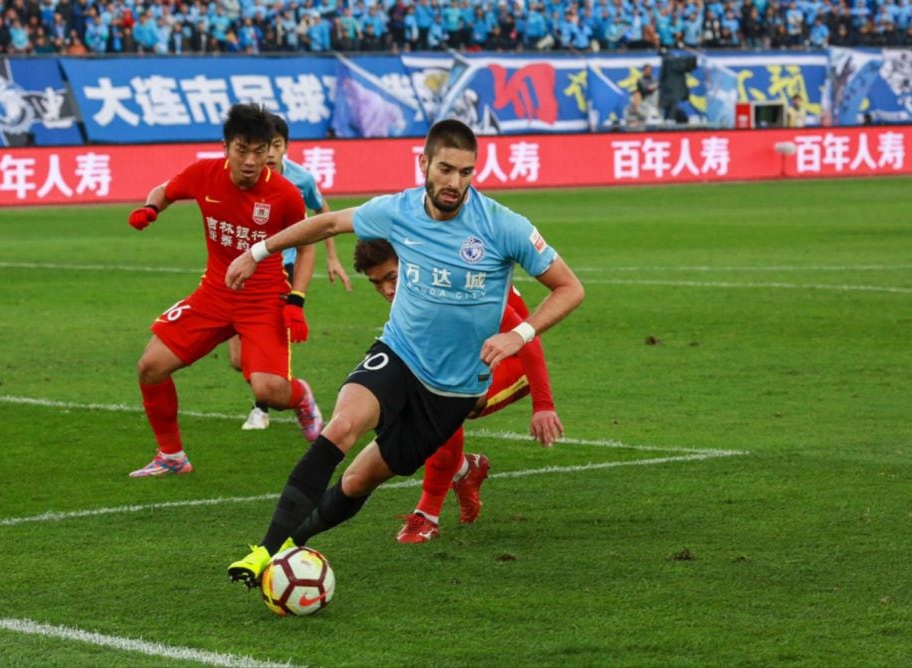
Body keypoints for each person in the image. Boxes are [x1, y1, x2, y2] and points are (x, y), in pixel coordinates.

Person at [224, 119, 584, 587]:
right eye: (446, 169)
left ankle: (293, 546)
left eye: (466, 172)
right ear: (425, 164)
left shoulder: (503, 226)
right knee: (342, 426)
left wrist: (521, 334)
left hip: (452, 391)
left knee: (357, 482)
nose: (455, 182)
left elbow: (569, 287)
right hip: (399, 354)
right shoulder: (398, 211)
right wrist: (257, 252)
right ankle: (265, 551)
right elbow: (330, 222)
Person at [126, 103, 324, 478]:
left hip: (264, 299)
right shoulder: (203, 174)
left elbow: (308, 244)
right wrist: (151, 209)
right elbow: (164, 190)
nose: (250, 160)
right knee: (150, 366)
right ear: (225, 147)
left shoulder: (284, 194)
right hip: (214, 294)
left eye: (259, 151)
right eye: (241, 149)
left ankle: (301, 397)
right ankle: (171, 456)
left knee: (268, 390)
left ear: (270, 151)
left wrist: (296, 302)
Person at [352, 238, 563, 544]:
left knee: (443, 395)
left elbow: (527, 339)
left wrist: (543, 405)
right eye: (377, 283)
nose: (386, 290)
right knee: (418, 392)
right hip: (472, 360)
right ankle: (464, 468)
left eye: (392, 278)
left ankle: (427, 516)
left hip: (515, 363)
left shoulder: (453, 283)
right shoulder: (421, 283)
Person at [231, 111, 353, 432]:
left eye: (276, 145)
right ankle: (274, 392)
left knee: (270, 346)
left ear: (286, 147)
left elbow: (322, 211)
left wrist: (331, 256)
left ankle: (263, 407)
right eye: (264, 146)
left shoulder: (300, 179)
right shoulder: (247, 176)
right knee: (236, 358)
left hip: (282, 269)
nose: (269, 153)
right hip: (244, 266)